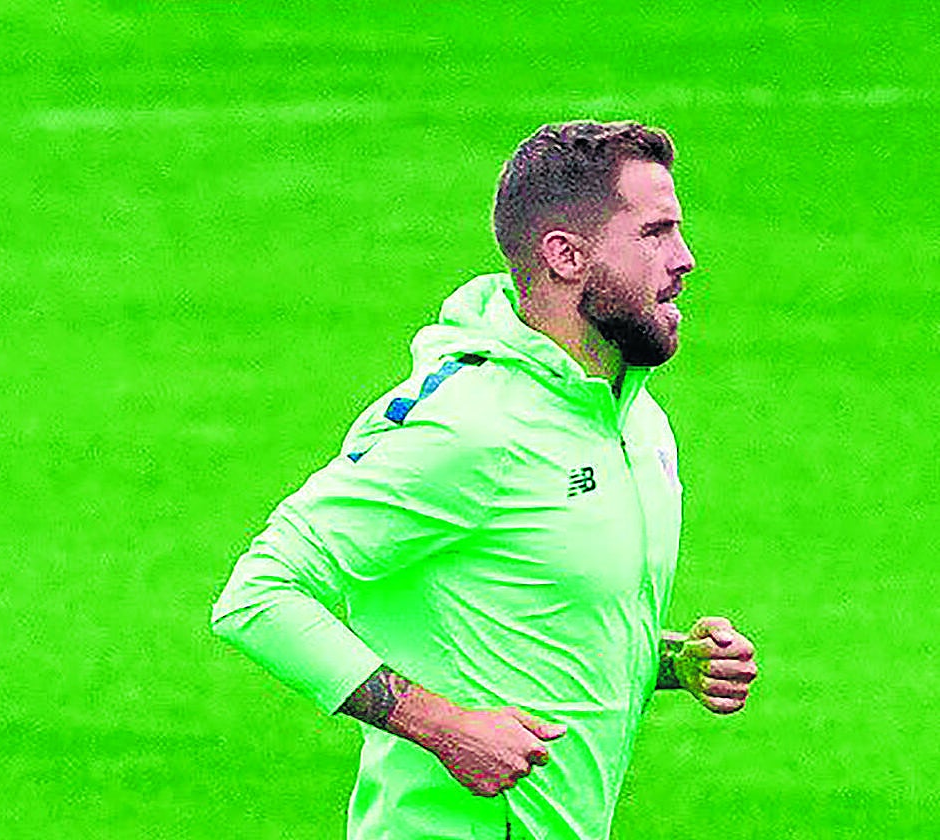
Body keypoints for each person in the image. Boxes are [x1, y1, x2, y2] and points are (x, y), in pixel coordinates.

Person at [210, 120, 758, 840]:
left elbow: (533, 614)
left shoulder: (631, 416)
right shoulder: (469, 423)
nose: (684, 260)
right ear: (565, 255)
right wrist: (442, 727)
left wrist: (671, 660)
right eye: (655, 233)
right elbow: (258, 594)